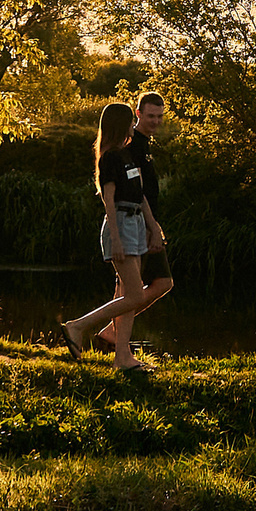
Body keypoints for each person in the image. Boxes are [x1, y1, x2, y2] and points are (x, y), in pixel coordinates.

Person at [61, 93, 174, 369]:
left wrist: (153, 227)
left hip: (135, 223)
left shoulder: (127, 154)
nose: (132, 127)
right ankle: (77, 326)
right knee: (134, 296)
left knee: (128, 292)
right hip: (121, 226)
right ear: (121, 124)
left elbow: (141, 196)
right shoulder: (110, 159)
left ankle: (122, 357)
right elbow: (107, 200)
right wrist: (116, 238)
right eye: (130, 122)